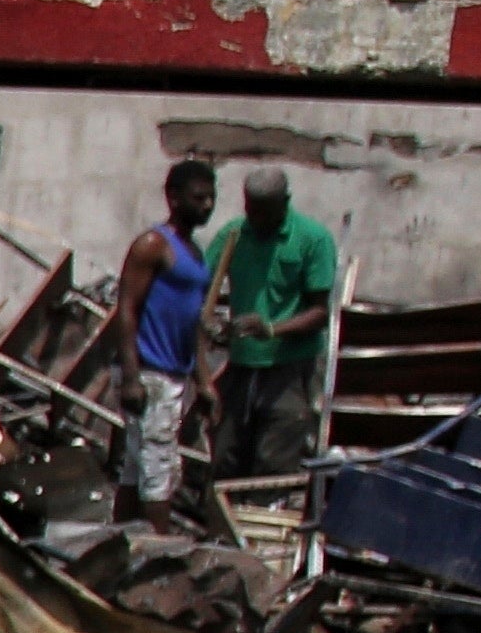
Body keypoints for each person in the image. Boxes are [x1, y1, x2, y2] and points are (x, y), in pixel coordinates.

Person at [218, 166, 342, 483]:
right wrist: (212, 324)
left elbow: (319, 313)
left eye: (264, 212)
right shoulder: (234, 234)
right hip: (241, 366)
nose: (256, 219)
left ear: (285, 202)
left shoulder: (312, 239)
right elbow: (200, 284)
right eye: (251, 210)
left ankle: (264, 513)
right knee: (226, 457)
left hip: (290, 369)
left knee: (274, 461)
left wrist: (271, 329)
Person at [114, 162, 222, 515]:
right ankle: (159, 545)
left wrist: (203, 382)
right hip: (151, 374)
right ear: (173, 198)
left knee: (136, 471)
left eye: (211, 198)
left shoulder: (195, 254)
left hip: (173, 374)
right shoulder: (153, 245)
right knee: (158, 473)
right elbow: (126, 310)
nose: (207, 205)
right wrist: (131, 377)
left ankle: (122, 539)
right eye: (198, 198)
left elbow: (193, 324)